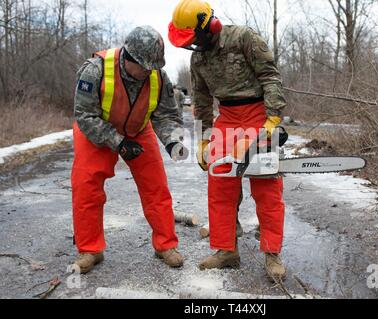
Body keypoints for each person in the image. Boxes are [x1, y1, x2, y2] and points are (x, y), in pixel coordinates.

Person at [169, 0, 287, 281]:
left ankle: (272, 253)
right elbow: (200, 99)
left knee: (267, 186)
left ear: (209, 26)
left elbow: (270, 77)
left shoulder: (244, 38)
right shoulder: (198, 58)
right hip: (228, 118)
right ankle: (226, 249)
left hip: (258, 112)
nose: (193, 45)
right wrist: (203, 139)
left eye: (194, 38)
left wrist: (273, 120)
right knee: (220, 184)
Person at [72, 26, 188, 274]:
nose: (149, 72)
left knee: (156, 186)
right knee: (86, 187)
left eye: (153, 67)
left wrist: (172, 141)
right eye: (145, 66)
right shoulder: (95, 70)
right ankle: (90, 250)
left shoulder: (157, 75)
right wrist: (118, 143)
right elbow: (83, 114)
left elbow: (167, 115)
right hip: (96, 130)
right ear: (129, 57)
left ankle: (165, 245)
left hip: (138, 128)